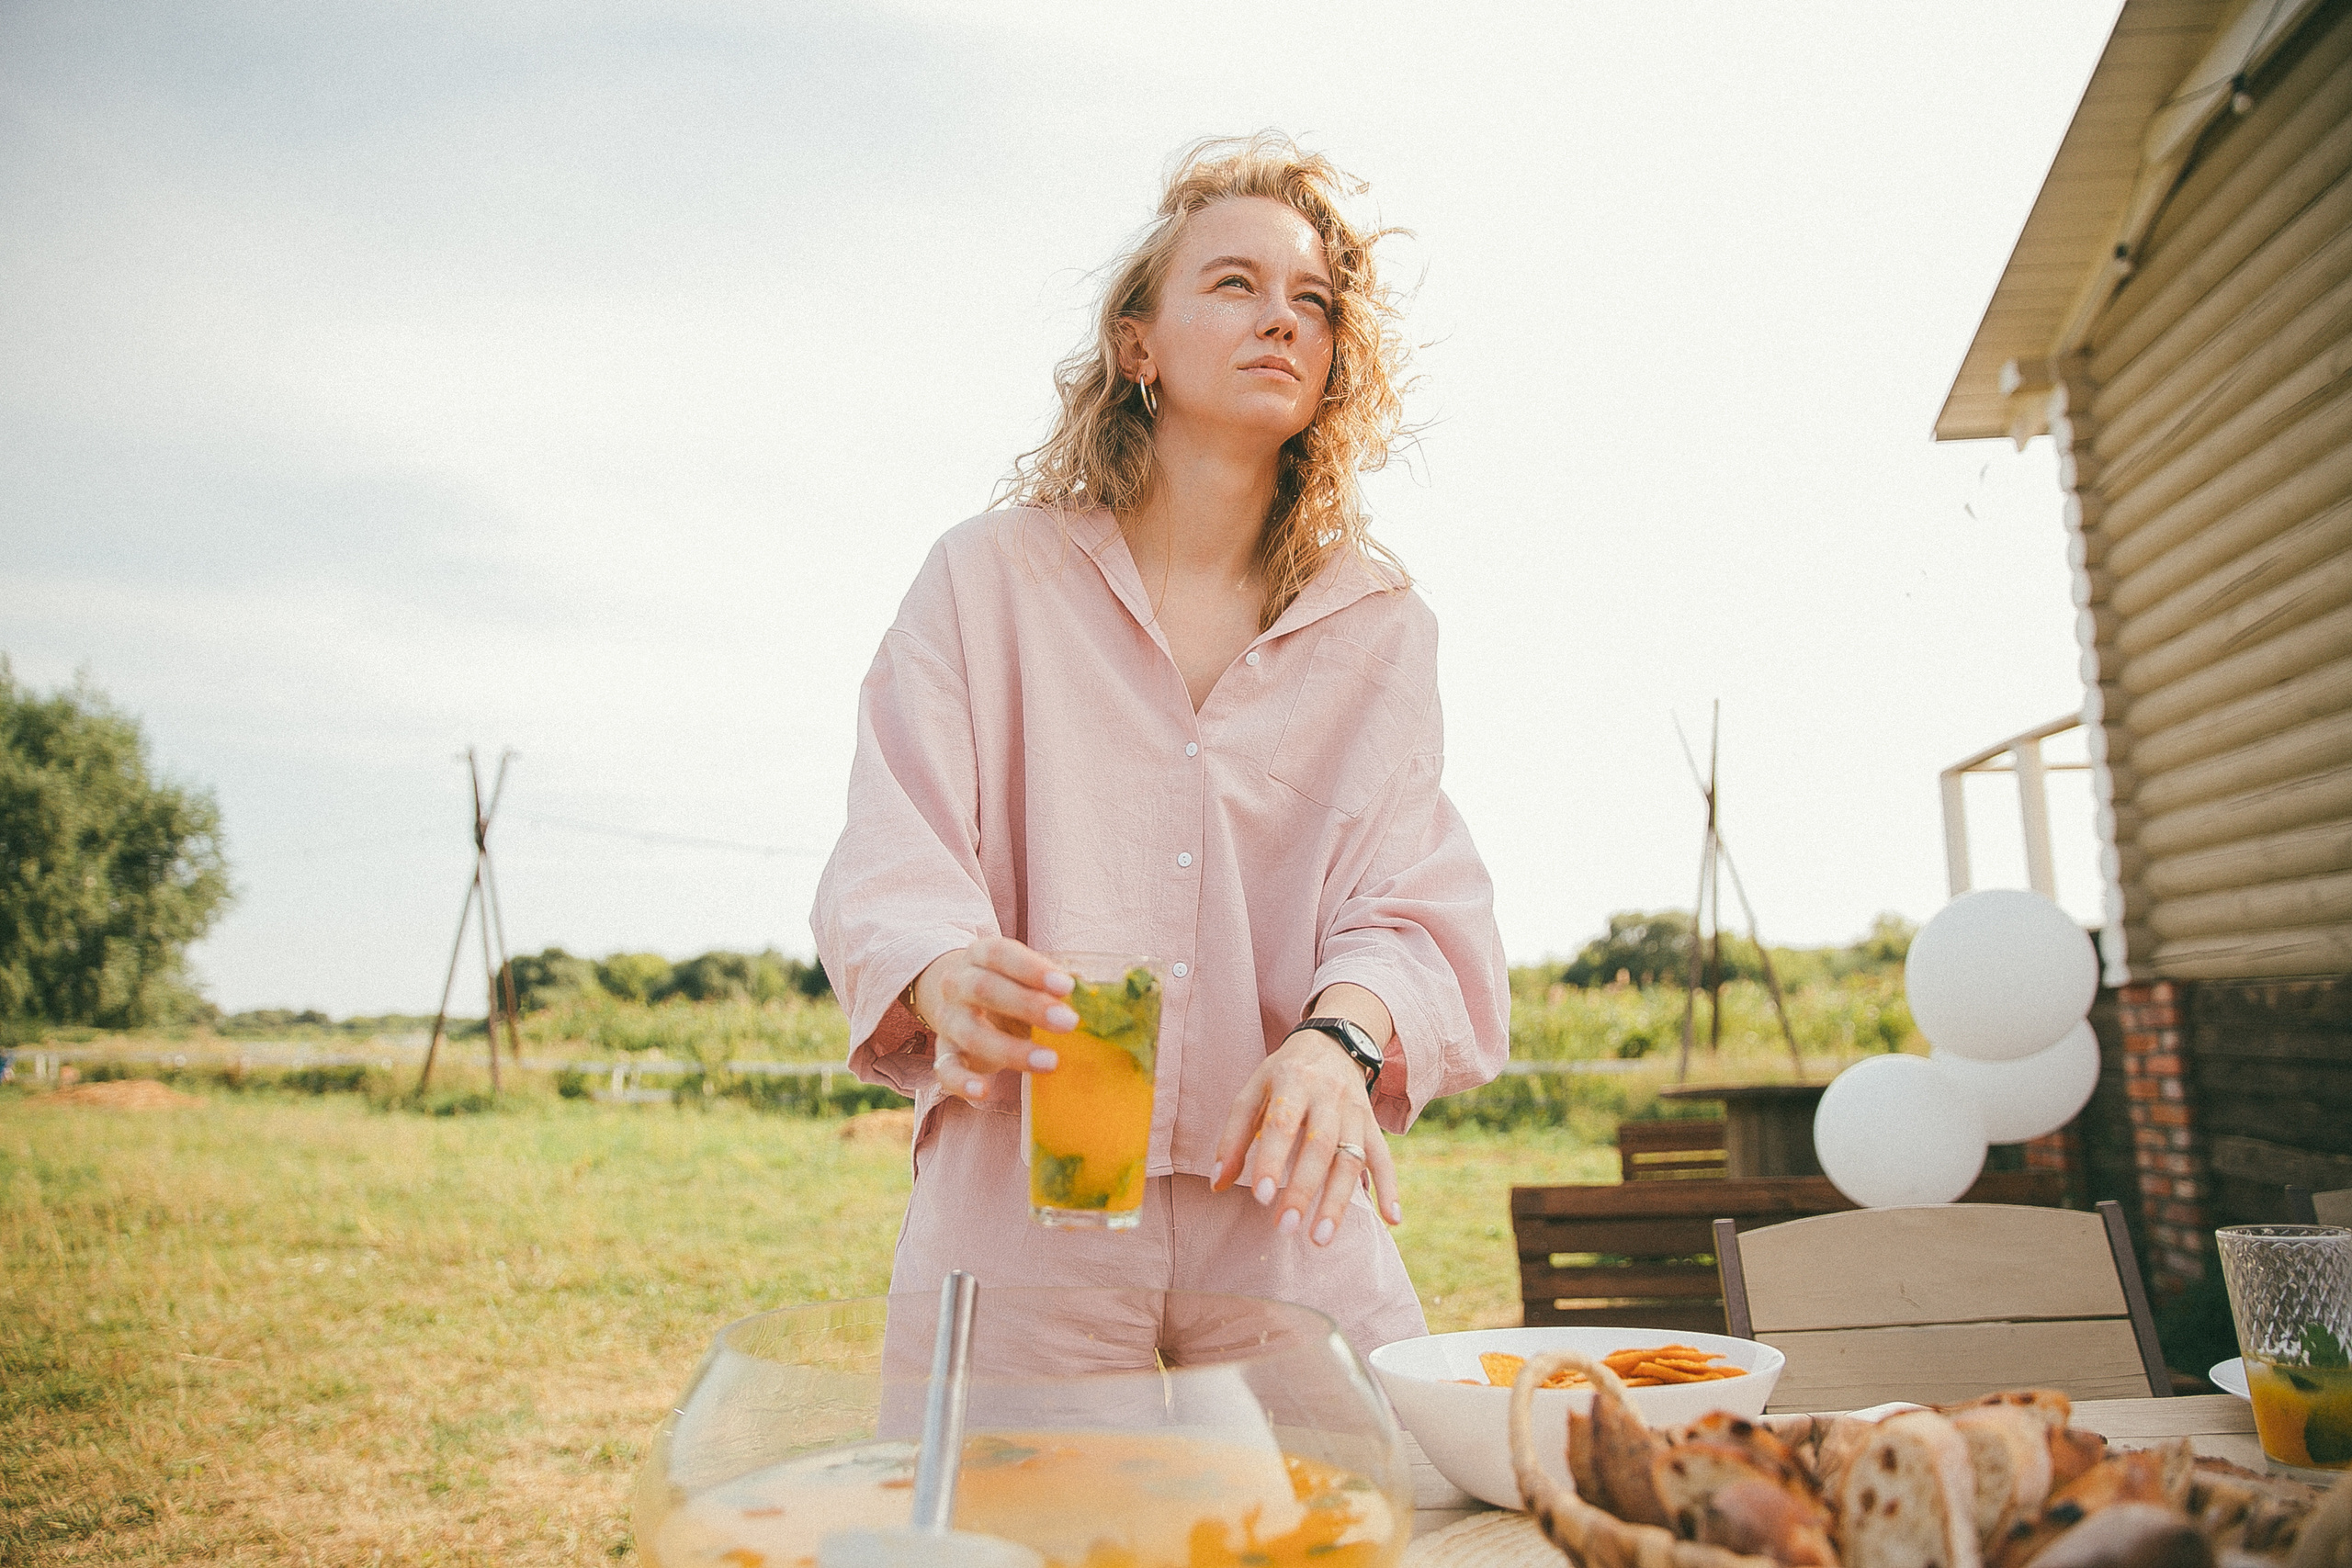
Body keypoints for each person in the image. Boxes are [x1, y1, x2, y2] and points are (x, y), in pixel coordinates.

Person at [810, 133, 1509, 1359]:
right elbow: (895, 847)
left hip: (1289, 1221)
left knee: (1347, 1539)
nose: (1280, 319)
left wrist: (1340, 1045)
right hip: (1027, 1212)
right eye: (1233, 284)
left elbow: (1402, 902)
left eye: (1313, 302)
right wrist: (937, 971)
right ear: (1137, 342)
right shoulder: (988, 582)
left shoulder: (1385, 632)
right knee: (1011, 1545)